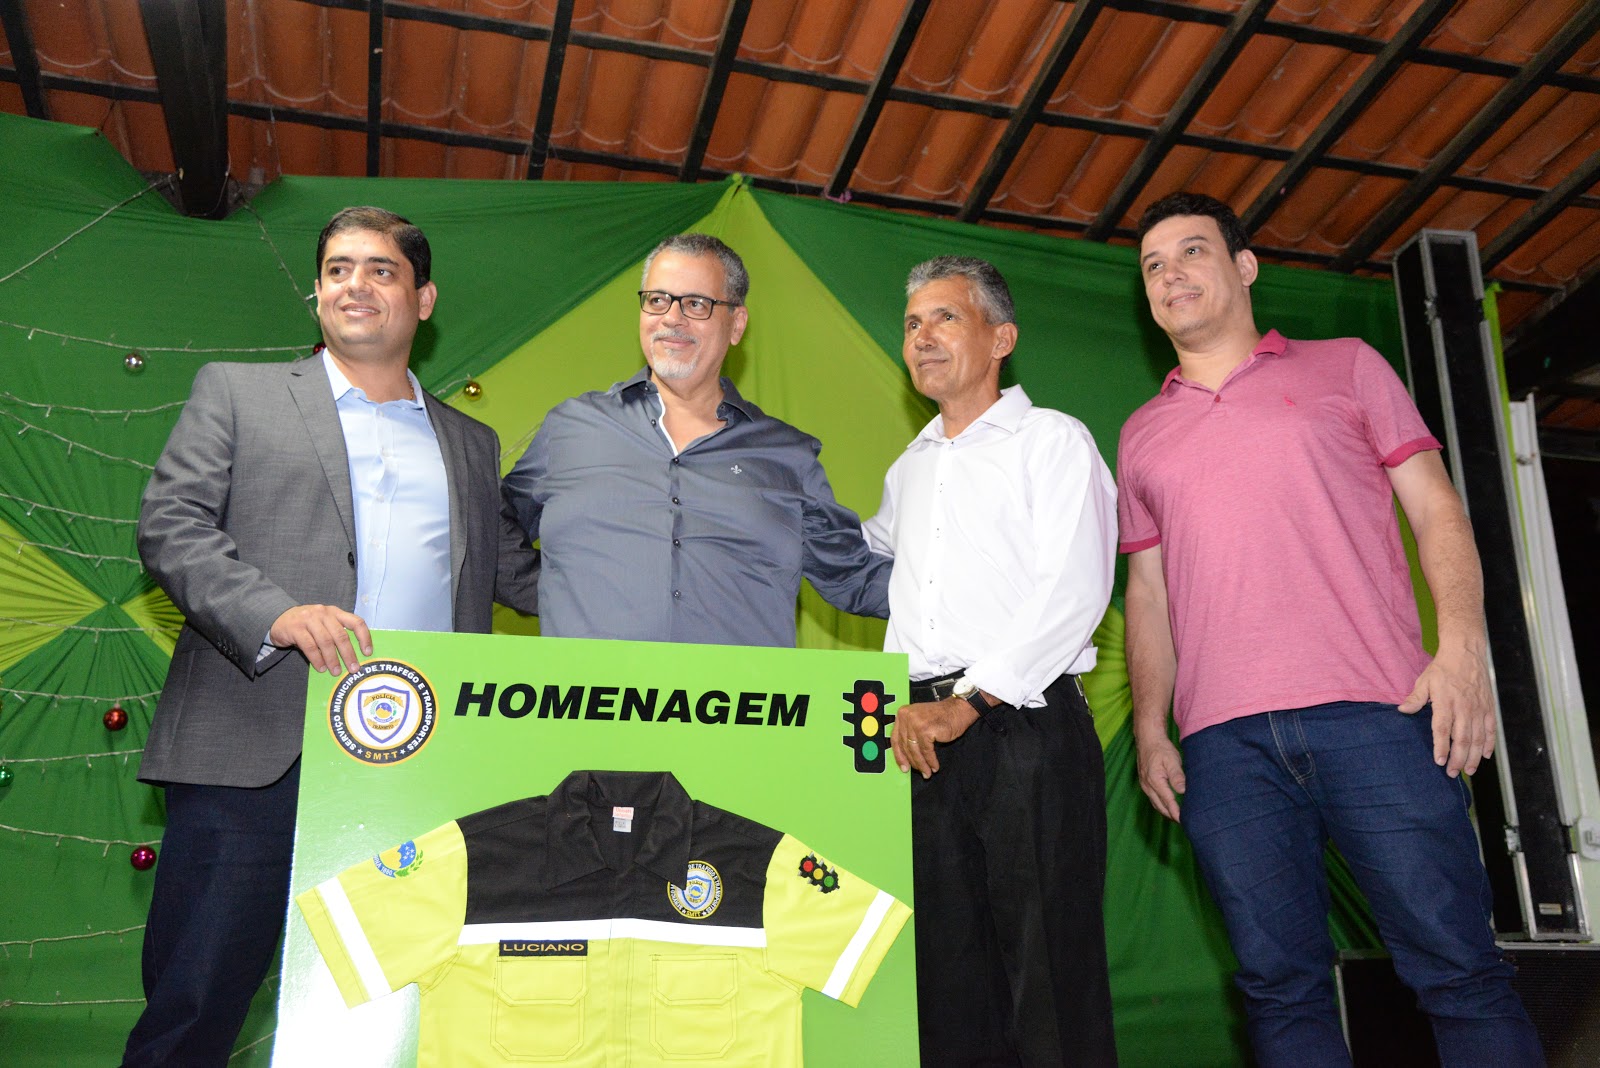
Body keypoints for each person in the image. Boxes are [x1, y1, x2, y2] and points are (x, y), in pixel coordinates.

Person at [1120, 192, 1543, 1066]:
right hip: (1224, 750)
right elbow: (1149, 593)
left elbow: (1437, 511)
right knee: (1280, 992)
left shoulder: (1348, 366)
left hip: (1379, 717)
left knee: (1460, 973)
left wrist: (1463, 651)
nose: (1170, 275)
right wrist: (1151, 726)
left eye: (1192, 252)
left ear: (1244, 266)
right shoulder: (1141, 435)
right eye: (1153, 265)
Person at [123, 206, 539, 1066]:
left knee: (385, 1014)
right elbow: (170, 525)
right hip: (254, 747)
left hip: (415, 768)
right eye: (339, 269)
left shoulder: (472, 443)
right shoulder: (236, 392)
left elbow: (522, 577)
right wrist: (273, 614)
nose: (356, 284)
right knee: (196, 1002)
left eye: (382, 270)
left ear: (424, 300)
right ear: (316, 294)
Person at [862, 256, 1120, 1066]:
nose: (921, 336)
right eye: (912, 323)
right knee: (946, 980)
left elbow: (1075, 591)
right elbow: (865, 568)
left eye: (945, 317)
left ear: (1002, 338)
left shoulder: (1053, 441)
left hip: (1022, 729)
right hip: (918, 735)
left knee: (1048, 977)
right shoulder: (908, 469)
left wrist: (969, 702)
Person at [501, 232, 889, 647]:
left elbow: (854, 576)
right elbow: (486, 530)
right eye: (657, 300)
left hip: (740, 690)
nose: (672, 318)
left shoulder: (787, 455)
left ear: (736, 324)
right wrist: (557, 593)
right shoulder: (571, 428)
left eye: (696, 304)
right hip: (589, 688)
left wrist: (942, 592)